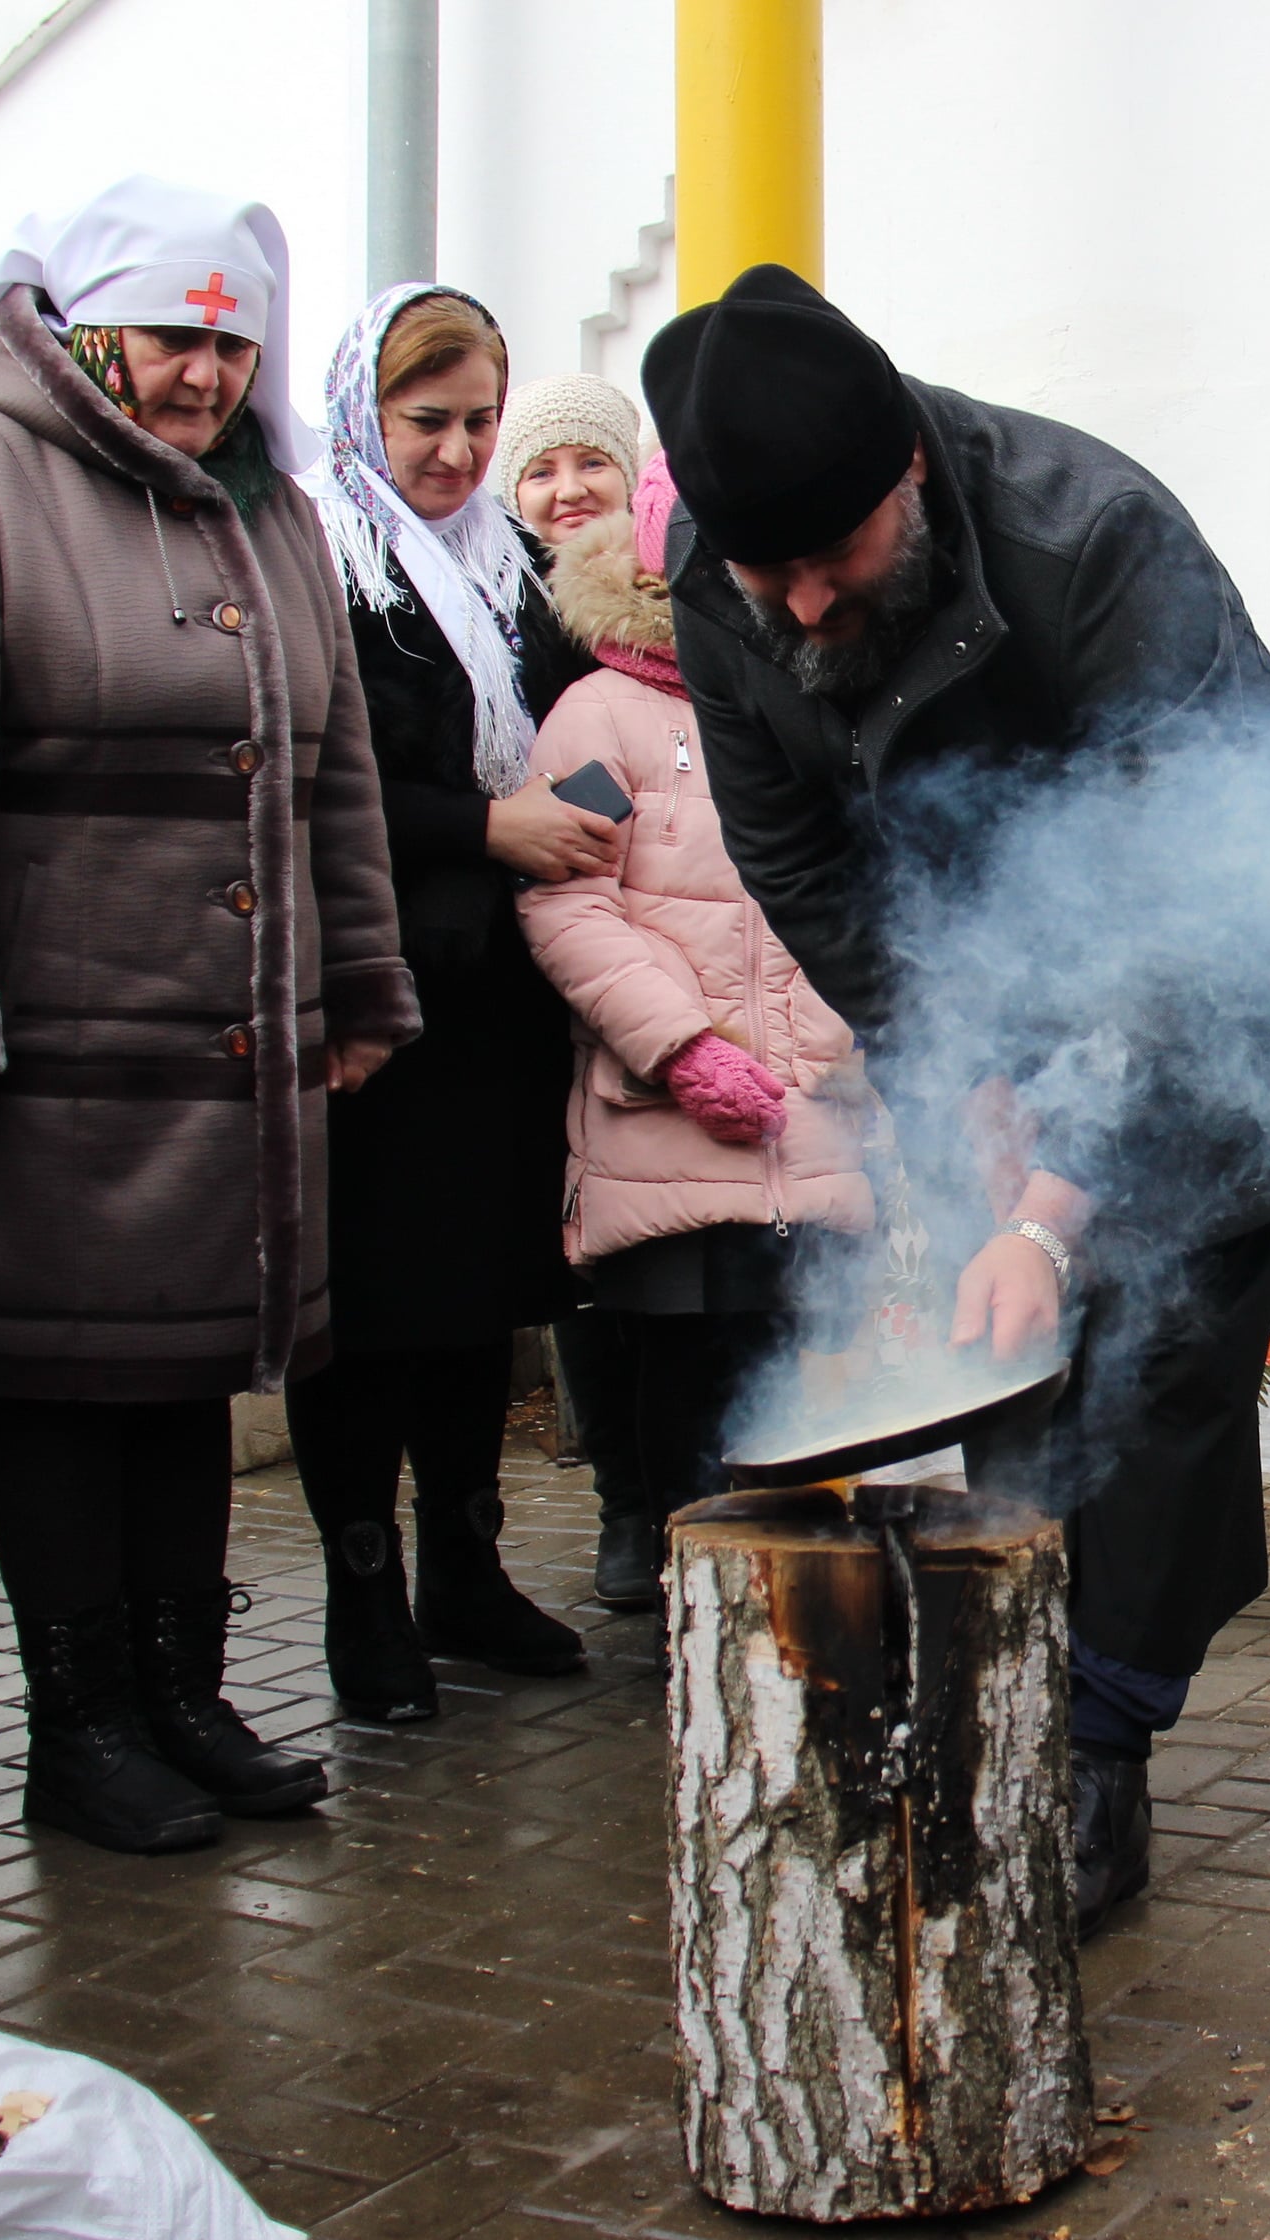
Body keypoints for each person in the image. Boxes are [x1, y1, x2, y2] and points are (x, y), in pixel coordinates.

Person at [640, 268, 1270, 1933]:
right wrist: (944, 1062)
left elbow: (1181, 914)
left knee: (1157, 1365)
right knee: (1016, 1366)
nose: (800, 610)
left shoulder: (1092, 543)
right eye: (768, 577)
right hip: (980, 995)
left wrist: (1054, 1194)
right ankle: (1019, 1699)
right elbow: (798, 857)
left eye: (835, 563)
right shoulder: (720, 579)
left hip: (1207, 1001)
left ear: (903, 473)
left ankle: (1101, 1745)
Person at [0, 179, 420, 1855]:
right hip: (56, 1059)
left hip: (227, 1062)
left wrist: (360, 975)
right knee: (71, 1393)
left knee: (181, 1388)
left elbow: (334, 773)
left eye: (229, 348)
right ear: (87, 330)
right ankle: (75, 1730)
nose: (200, 379)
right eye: (168, 340)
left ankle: (182, 1694)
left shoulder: (273, 512)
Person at [289, 286, 601, 1722]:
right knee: (369, 1309)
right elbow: (312, 777)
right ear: (366, 413)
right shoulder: (318, 559)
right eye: (430, 422)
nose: (463, 451)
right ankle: (365, 1595)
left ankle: (463, 1569)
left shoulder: (514, 565)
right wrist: (489, 829)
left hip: (503, 998)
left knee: (477, 1299)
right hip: (379, 986)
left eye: (482, 419)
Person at [519, 454, 873, 1590]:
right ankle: (684, 1584)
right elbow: (570, 898)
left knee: (791, 1364)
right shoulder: (599, 717)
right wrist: (682, 1043)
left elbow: (859, 886)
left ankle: (789, 1598)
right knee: (679, 1364)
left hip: (809, 1112)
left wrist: (854, 1032)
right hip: (670, 1111)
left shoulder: (814, 699)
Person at [488, 372, 654, 1606]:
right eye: (539, 470)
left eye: (588, 463)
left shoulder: (653, 607)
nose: (564, 489)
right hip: (521, 953)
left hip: (651, 939)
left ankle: (670, 1501)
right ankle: (623, 1495)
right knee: (581, 1251)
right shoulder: (492, 600)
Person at [493, 369, 639, 549]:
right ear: (513, 498)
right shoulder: (479, 575)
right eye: (541, 474)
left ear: (630, 478)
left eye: (592, 464)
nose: (570, 492)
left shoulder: (674, 567)